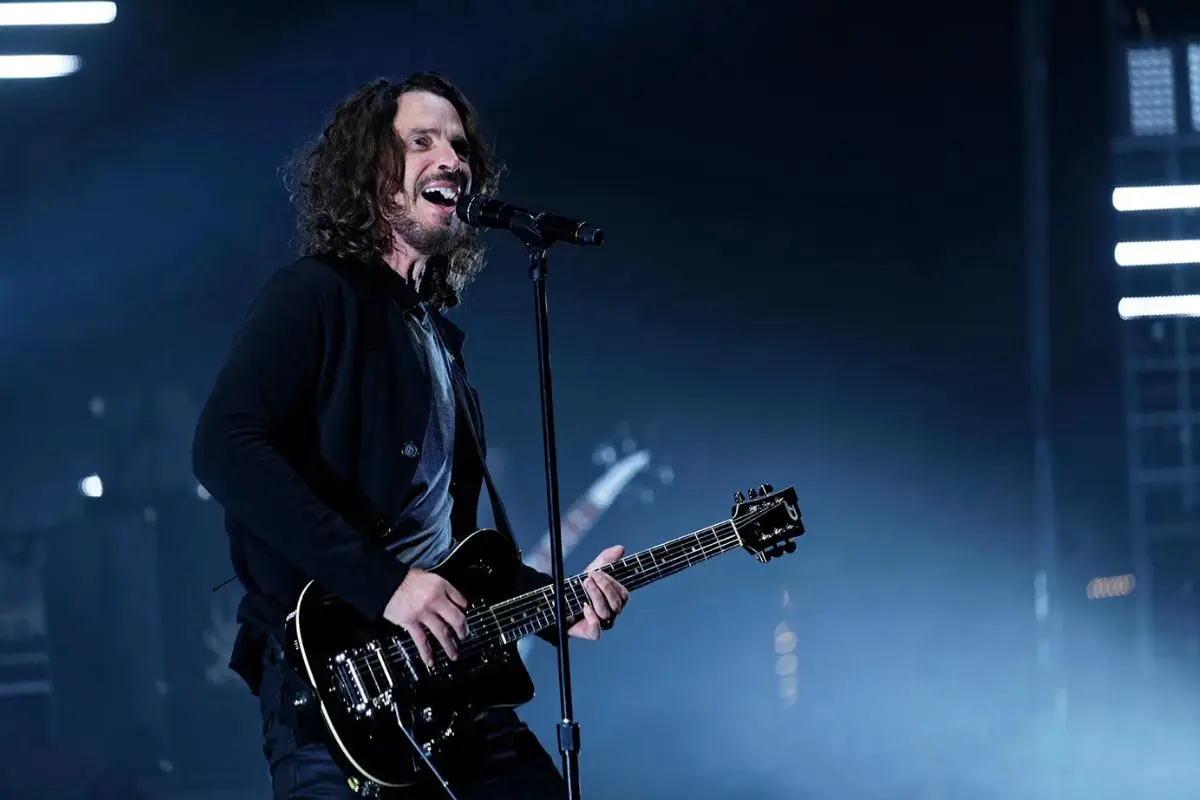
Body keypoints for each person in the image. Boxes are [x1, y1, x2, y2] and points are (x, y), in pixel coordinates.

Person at [192, 72, 630, 799]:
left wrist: (560, 603)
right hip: (337, 684)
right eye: (421, 141)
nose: (451, 159)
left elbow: (448, 551)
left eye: (459, 145)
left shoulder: (435, 338)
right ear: (371, 174)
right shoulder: (316, 294)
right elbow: (225, 447)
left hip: (448, 679)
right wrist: (386, 585)